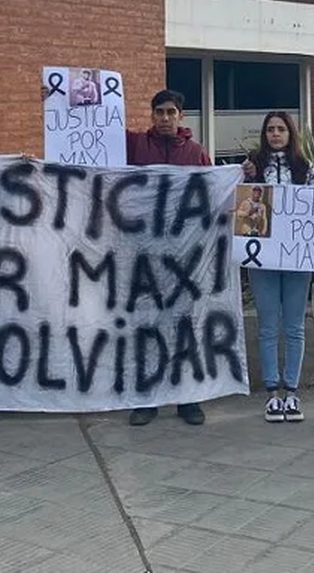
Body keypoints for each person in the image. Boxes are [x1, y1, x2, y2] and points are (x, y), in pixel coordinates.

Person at [125, 89, 212, 427]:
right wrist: (56, 101)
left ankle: (188, 399)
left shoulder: (195, 153)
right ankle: (148, 398)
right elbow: (89, 134)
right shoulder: (134, 145)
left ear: (181, 116)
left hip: (184, 256)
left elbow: (212, 194)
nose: (164, 118)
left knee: (184, 326)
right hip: (144, 253)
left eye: (170, 112)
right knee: (147, 326)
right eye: (159, 112)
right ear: (152, 115)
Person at [242, 111, 314, 422]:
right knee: (268, 326)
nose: (275, 134)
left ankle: (292, 391)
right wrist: (247, 177)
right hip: (262, 256)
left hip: (297, 256)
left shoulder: (305, 167)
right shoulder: (252, 166)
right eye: (270, 129)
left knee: (295, 326)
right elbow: (241, 206)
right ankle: (272, 393)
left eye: (281, 129)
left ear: (291, 133)